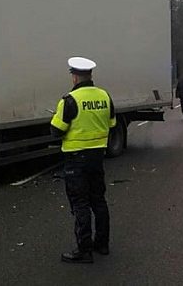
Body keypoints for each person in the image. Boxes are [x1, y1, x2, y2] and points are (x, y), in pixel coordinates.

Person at [50, 56, 116, 264]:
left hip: (76, 159)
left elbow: (56, 131)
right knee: (98, 200)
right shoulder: (105, 96)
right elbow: (112, 123)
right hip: (97, 158)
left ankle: (84, 250)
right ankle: (102, 244)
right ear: (90, 75)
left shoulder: (69, 100)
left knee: (80, 204)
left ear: (75, 77)